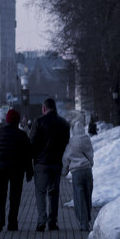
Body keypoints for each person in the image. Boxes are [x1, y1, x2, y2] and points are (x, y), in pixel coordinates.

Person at [0, 108, 33, 231]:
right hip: (17, 170)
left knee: (0, 195)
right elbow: (27, 154)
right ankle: (12, 222)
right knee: (15, 196)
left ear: (6, 120)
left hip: (0, 169)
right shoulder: (22, 135)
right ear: (17, 121)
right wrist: (29, 171)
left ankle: (0, 218)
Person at [28, 97, 70, 231]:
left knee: (40, 192)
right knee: (54, 192)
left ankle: (41, 221)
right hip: (56, 163)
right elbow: (66, 142)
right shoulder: (63, 123)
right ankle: (53, 222)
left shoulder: (38, 122)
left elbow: (32, 143)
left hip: (41, 164)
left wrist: (33, 159)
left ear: (44, 108)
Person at [62, 119, 95, 231]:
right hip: (87, 171)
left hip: (76, 172)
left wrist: (64, 171)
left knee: (79, 197)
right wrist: (90, 162)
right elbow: (91, 153)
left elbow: (66, 157)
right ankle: (88, 218)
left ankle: (83, 223)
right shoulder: (87, 139)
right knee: (87, 196)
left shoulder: (71, 142)